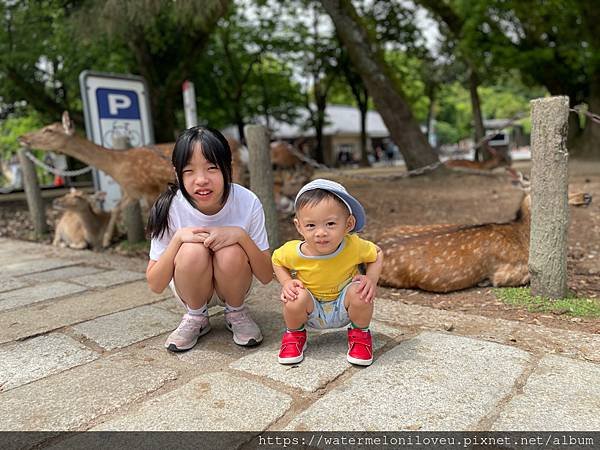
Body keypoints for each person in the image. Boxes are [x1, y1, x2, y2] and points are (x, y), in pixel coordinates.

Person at [146, 126, 273, 352]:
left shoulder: (247, 202)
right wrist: (177, 240)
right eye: (189, 171)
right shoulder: (170, 207)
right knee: (191, 250)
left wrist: (241, 236)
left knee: (231, 250)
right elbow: (155, 284)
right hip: (191, 287)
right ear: (177, 174)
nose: (201, 180)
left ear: (228, 168)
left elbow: (265, 275)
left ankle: (236, 312)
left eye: (212, 168)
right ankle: (196, 317)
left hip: (234, 283)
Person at [272, 179, 383, 366]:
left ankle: (360, 335)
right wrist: (286, 282)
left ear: (348, 224)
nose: (321, 233)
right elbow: (276, 260)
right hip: (311, 307)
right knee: (294, 297)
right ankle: (295, 334)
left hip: (344, 304)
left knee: (360, 292)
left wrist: (371, 279)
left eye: (330, 224)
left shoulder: (353, 246)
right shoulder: (293, 251)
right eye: (311, 226)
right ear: (299, 226)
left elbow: (377, 253)